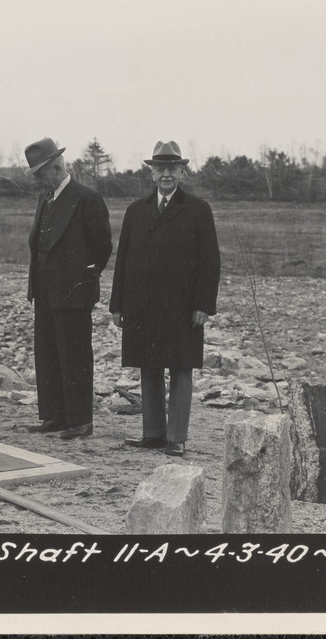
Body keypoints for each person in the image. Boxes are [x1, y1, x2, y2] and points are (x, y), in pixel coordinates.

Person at [110, 140, 220, 456]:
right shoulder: (136, 211)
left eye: (172, 168)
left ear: (182, 172)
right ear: (152, 173)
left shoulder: (199, 210)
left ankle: (176, 437)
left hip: (183, 306)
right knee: (149, 366)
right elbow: (123, 260)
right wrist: (117, 304)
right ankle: (153, 433)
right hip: (142, 304)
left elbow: (210, 261)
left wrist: (204, 305)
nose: (166, 174)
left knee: (181, 367)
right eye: (160, 169)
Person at [23, 138, 112, 439]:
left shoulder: (86, 198)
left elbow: (102, 246)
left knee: (74, 357)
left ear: (57, 167)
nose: (37, 179)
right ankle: (54, 415)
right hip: (45, 292)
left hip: (73, 293)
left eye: (40, 173)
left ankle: (79, 420)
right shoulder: (45, 199)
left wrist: (84, 277)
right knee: (47, 355)